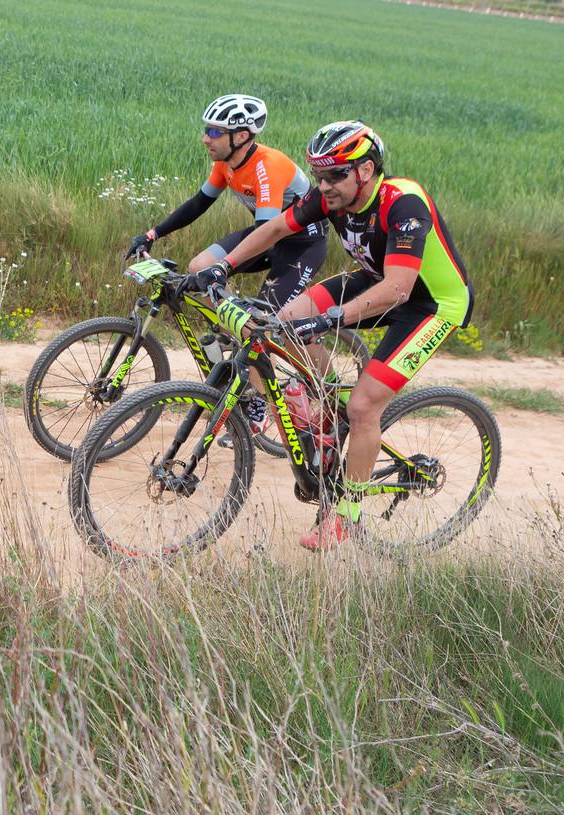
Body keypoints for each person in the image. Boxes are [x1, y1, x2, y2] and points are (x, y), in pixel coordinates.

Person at [184, 120, 474, 550]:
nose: (325, 185)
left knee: (363, 405)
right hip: (377, 281)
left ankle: (348, 515)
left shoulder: (403, 204)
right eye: (319, 175)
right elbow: (276, 229)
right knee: (282, 324)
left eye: (336, 174)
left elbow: (399, 289)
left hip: (428, 303)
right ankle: (326, 410)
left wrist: (331, 318)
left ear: (367, 170)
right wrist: (222, 265)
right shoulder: (331, 197)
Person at [126, 94, 328, 435]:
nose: (206, 138)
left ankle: (272, 400)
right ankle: (233, 339)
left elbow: (266, 231)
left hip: (300, 245)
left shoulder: (268, 165)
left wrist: (227, 294)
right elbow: (198, 204)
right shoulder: (226, 163)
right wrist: (151, 234)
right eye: (207, 130)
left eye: (214, 132)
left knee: (257, 325)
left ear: (242, 136)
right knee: (198, 267)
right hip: (266, 235)